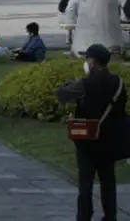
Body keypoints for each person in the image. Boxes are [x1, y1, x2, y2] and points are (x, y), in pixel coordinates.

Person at [57, 44, 126, 221]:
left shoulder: (83, 84)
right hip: (110, 140)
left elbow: (62, 95)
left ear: (93, 62)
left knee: (85, 183)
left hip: (87, 140)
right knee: (108, 181)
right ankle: (110, 216)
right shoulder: (119, 83)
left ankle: (84, 215)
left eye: (88, 59)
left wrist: (74, 80)